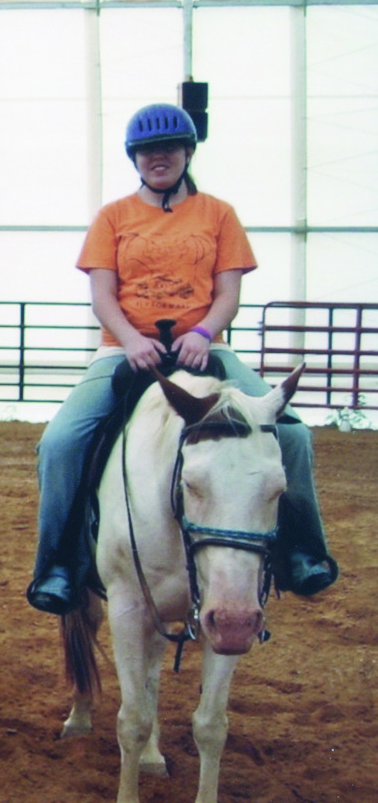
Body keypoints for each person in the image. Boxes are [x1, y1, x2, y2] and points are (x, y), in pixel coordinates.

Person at [26, 103, 338, 615]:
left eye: (169, 148)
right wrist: (129, 339)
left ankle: (301, 551)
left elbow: (228, 293)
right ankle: (58, 564)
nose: (159, 157)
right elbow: (103, 294)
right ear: (135, 158)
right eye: (148, 150)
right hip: (125, 348)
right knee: (59, 443)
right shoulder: (113, 217)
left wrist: (204, 331)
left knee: (293, 434)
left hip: (204, 345)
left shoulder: (218, 214)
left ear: (187, 152)